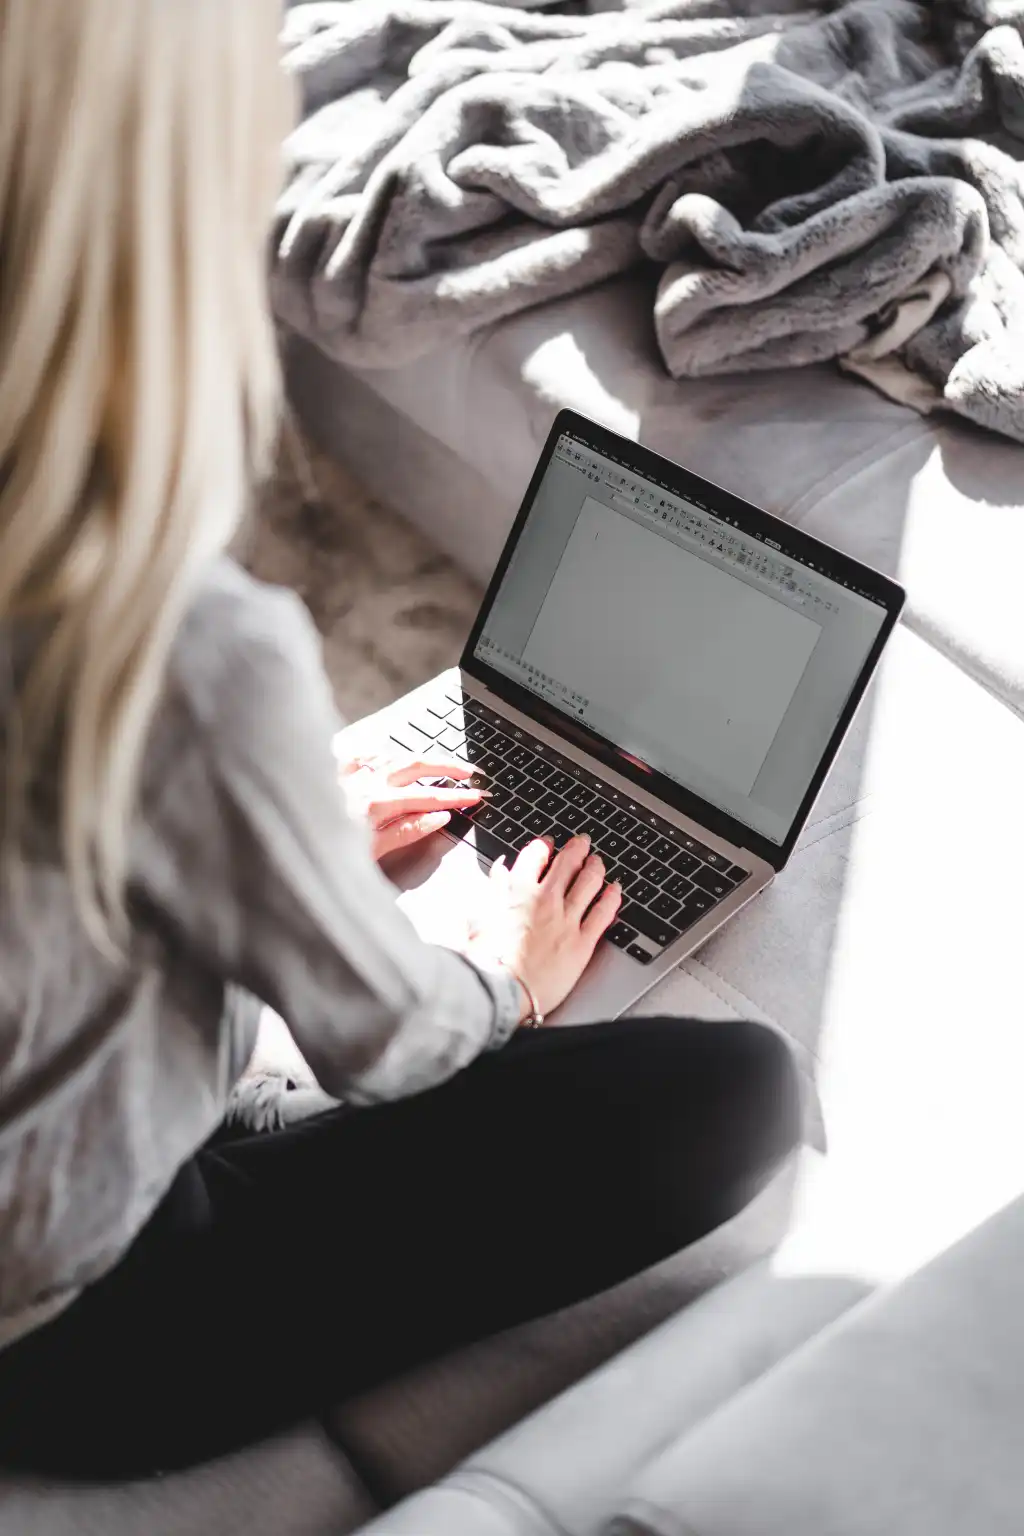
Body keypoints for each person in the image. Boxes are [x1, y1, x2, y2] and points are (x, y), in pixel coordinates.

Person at [0, 0, 800, 1481]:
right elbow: (389, 1044)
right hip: (74, 1325)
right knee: (745, 1094)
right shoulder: (173, 647)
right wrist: (499, 969)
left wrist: (254, 832)